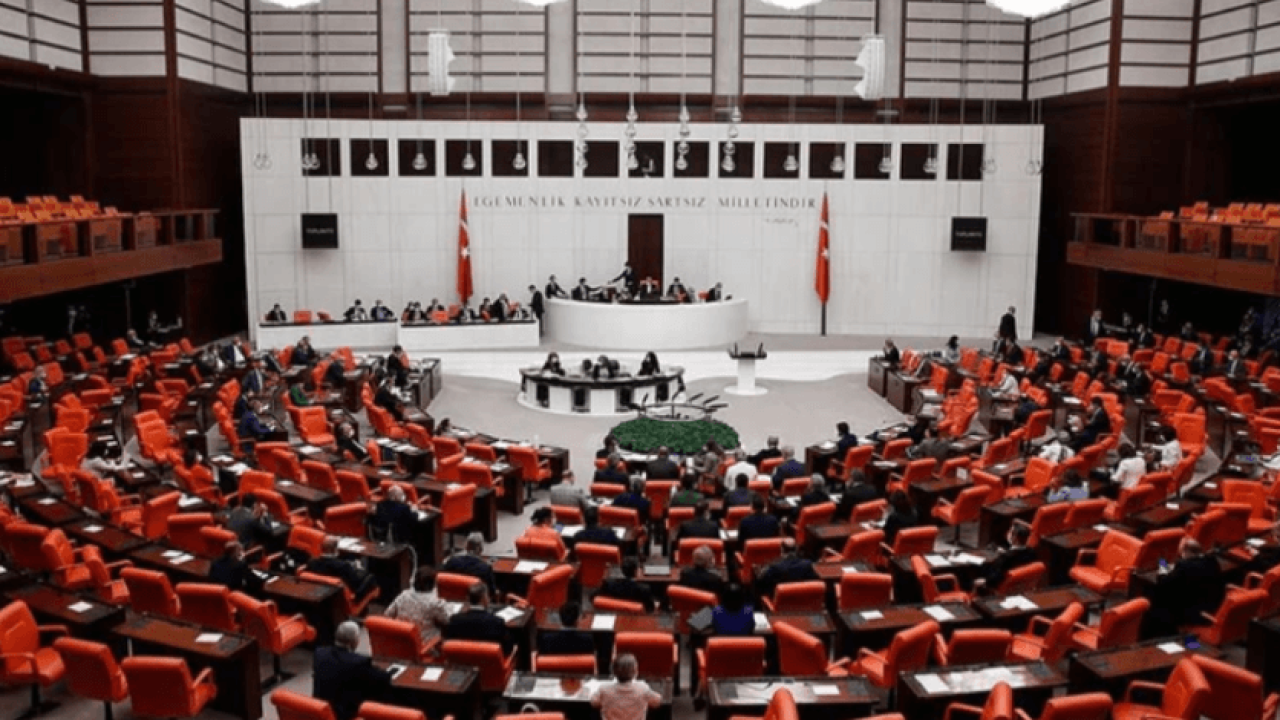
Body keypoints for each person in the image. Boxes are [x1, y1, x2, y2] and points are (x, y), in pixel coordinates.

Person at [1142, 538, 1225, 639]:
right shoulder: (1212, 561)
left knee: (1157, 599)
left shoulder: (1184, 566)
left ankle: (1156, 635)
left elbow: (1163, 582)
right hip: (1212, 606)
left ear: (1185, 552)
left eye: (1181, 553)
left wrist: (1163, 567)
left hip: (1195, 613)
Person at [313, 621, 393, 720]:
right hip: (343, 715)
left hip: (320, 711)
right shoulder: (358, 662)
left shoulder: (319, 653)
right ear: (354, 641)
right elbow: (384, 678)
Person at [443, 583, 514, 653]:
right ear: (484, 599)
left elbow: (449, 643)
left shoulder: (454, 620)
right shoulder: (497, 622)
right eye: (488, 596)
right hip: (488, 659)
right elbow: (507, 648)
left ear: (468, 599)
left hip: (463, 658)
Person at [385, 567, 450, 643]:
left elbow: (387, 614)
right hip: (425, 643)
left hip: (403, 640)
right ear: (433, 584)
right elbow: (447, 620)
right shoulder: (435, 602)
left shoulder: (403, 595)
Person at [590, 654, 662, 720]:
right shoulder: (642, 688)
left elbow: (594, 702)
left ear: (613, 672)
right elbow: (657, 701)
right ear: (635, 672)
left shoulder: (604, 688)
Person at [304, 536, 378, 598]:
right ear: (335, 550)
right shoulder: (343, 566)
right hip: (348, 595)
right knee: (370, 577)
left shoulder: (312, 562)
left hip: (326, 593)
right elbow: (356, 583)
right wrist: (358, 568)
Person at [974, 524, 1038, 593]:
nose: (1007, 533)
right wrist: (1007, 552)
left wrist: (985, 581)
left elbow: (997, 575)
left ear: (1015, 538)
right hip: (1018, 586)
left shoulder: (1006, 557)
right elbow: (1017, 558)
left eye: (1010, 532)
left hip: (993, 582)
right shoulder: (1032, 552)